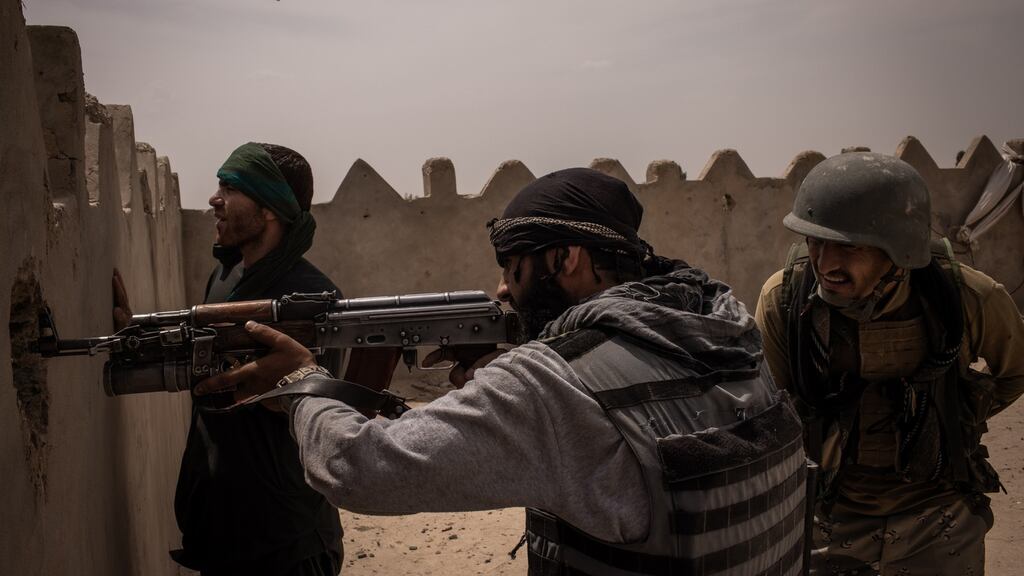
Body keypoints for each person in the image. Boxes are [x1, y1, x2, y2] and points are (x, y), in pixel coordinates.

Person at [197, 168, 809, 575]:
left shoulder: (551, 384)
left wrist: (300, 386)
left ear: (565, 258)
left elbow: (361, 468)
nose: (501, 288)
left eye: (510, 265)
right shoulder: (726, 331)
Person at [754, 151, 1024, 575]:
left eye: (848, 246)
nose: (825, 264)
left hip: (939, 519)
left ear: (901, 251)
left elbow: (1016, 371)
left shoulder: (969, 297)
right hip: (829, 515)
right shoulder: (785, 301)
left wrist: (954, 414)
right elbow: (774, 411)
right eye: (815, 242)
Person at [171, 142, 396, 575]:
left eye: (231, 187)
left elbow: (321, 408)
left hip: (286, 541)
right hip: (222, 531)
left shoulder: (312, 300)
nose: (215, 199)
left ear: (271, 207)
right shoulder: (224, 277)